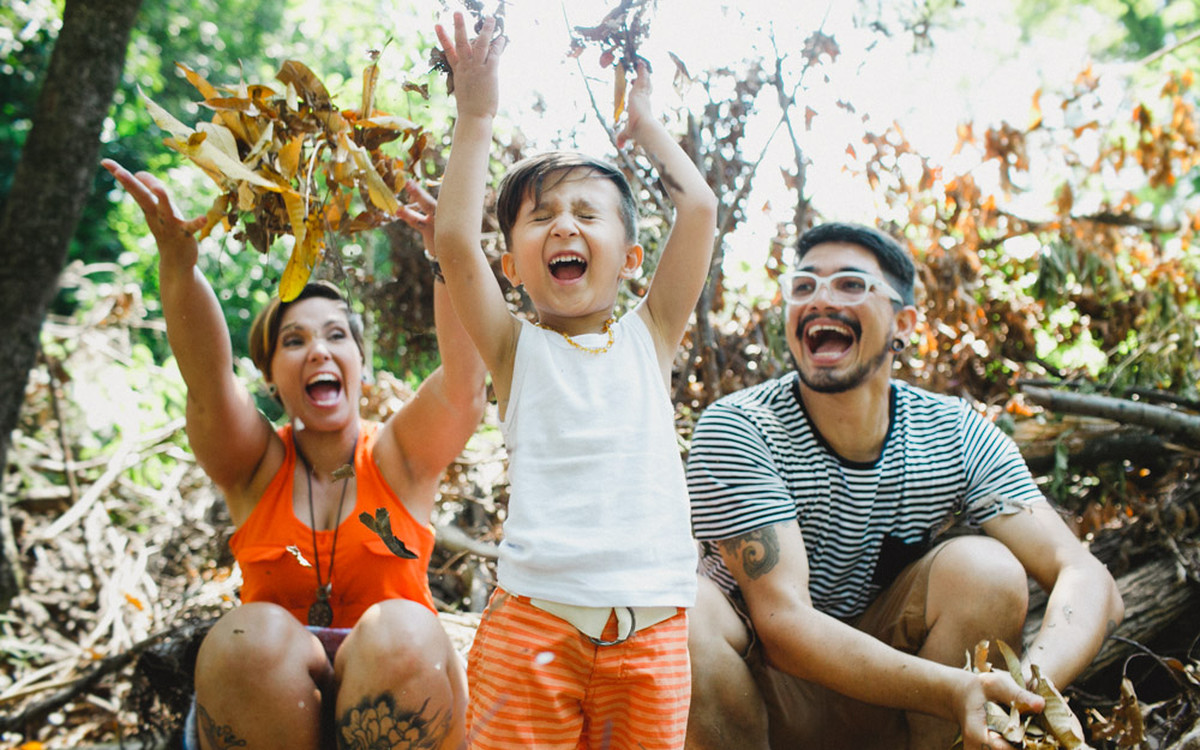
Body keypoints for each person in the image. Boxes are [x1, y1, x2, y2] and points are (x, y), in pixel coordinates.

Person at [684, 222, 1125, 750]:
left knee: (986, 571)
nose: (820, 298)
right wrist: (958, 690)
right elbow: (783, 623)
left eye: (850, 284)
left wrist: (1025, 694)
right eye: (803, 286)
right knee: (683, 608)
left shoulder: (953, 432)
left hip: (897, 707)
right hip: (768, 707)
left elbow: (1083, 573)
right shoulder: (741, 426)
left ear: (904, 323)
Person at [101, 159, 488, 750]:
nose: (318, 351)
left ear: (360, 366)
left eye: (337, 335)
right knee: (246, 636)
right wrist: (178, 263)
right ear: (270, 378)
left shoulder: (399, 457)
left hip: (401, 699)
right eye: (294, 340)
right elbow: (207, 378)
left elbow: (463, 383)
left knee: (403, 629)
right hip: (267, 708)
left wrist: (447, 255)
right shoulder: (253, 466)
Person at [431, 13, 718, 749]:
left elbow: (700, 207)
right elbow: (456, 238)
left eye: (587, 213)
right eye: (540, 217)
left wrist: (644, 125)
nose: (563, 226)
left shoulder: (650, 335)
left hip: (652, 633)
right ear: (512, 265)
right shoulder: (513, 348)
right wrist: (477, 114)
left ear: (629, 258)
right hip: (534, 625)